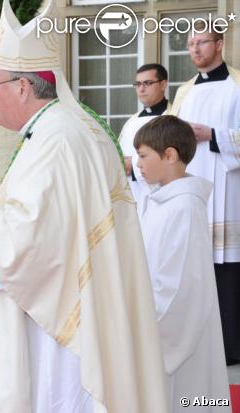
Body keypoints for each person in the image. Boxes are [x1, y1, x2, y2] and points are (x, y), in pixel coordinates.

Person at [0, 0, 169, 411]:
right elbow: (49, 215)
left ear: (23, 87)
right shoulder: (66, 127)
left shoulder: (55, 139)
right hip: (88, 296)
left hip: (66, 322)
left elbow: (30, 242)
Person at [135, 115, 230, 412]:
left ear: (170, 155)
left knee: (187, 400)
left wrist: (146, 335)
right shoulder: (161, 201)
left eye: (142, 155)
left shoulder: (185, 208)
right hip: (155, 319)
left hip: (175, 336)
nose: (137, 163)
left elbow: (179, 287)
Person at [169, 21, 240, 365]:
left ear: (220, 43)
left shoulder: (238, 84)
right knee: (193, 269)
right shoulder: (184, 92)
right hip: (191, 192)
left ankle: (230, 347)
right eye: (190, 44)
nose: (195, 49)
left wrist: (213, 135)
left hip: (230, 192)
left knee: (228, 271)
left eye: (202, 42)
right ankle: (195, 346)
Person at [119, 63, 170, 205]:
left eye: (147, 83)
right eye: (138, 84)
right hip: (131, 195)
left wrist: (133, 165)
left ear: (163, 84)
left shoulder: (173, 117)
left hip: (160, 196)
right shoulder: (131, 121)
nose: (141, 89)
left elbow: (171, 158)